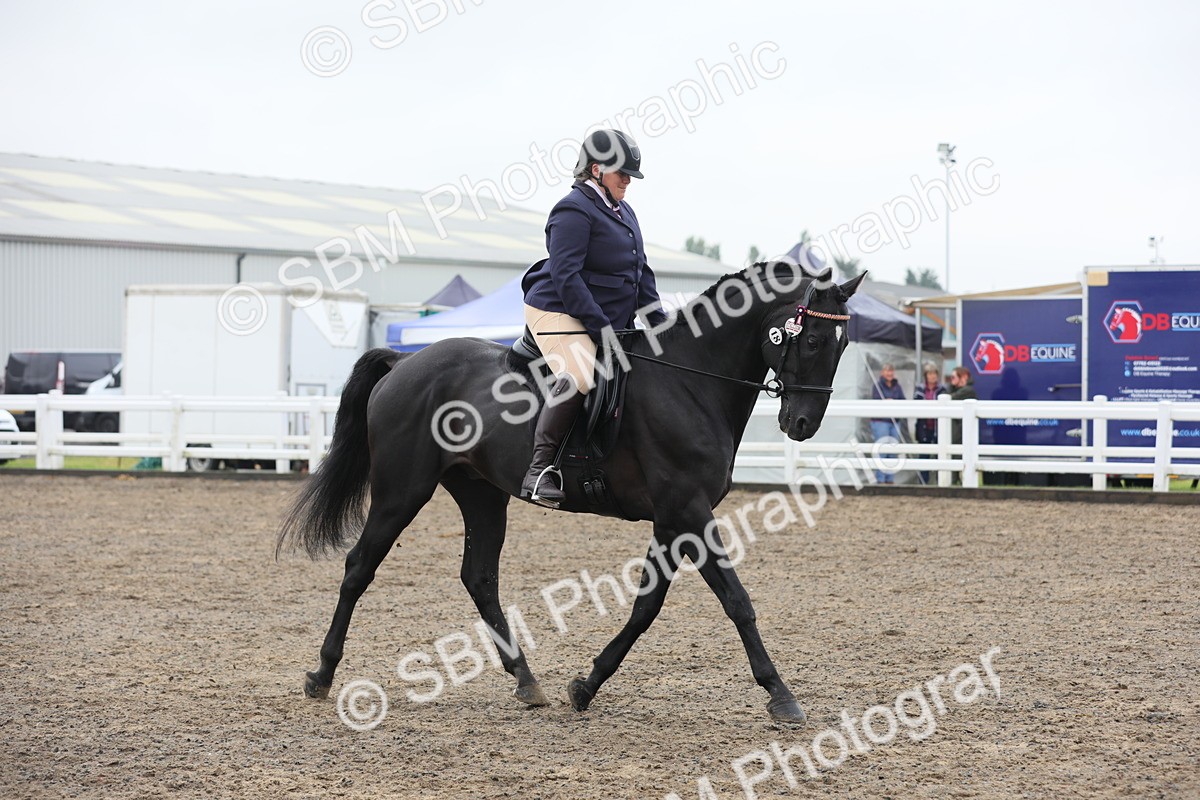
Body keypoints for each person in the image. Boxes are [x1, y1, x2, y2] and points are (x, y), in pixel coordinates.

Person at [519, 129, 668, 507]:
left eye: (630, 175)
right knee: (583, 370)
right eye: (622, 173)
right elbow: (566, 277)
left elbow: (640, 274)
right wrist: (600, 328)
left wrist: (659, 325)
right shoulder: (573, 209)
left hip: (606, 316)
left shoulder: (624, 210)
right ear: (596, 169)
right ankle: (539, 471)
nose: (627, 181)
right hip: (557, 308)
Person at [869, 363, 905, 483]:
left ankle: (890, 479)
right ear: (882, 373)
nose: (889, 374)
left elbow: (903, 400)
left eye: (891, 371)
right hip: (881, 421)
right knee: (882, 450)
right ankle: (880, 479)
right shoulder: (877, 386)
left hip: (894, 422)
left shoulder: (897, 386)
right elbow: (876, 400)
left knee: (892, 451)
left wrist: (894, 402)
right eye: (887, 371)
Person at [913, 363, 948, 483]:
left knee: (941, 456)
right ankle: (923, 483)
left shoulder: (943, 389)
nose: (932, 376)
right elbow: (916, 405)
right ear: (926, 376)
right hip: (924, 427)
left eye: (934, 373)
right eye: (930, 374)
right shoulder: (919, 389)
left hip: (939, 427)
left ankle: (941, 482)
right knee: (924, 456)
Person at [948, 366, 977, 445]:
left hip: (962, 431)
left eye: (954, 377)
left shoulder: (968, 391)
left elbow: (949, 398)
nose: (951, 380)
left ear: (963, 377)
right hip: (956, 430)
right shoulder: (955, 389)